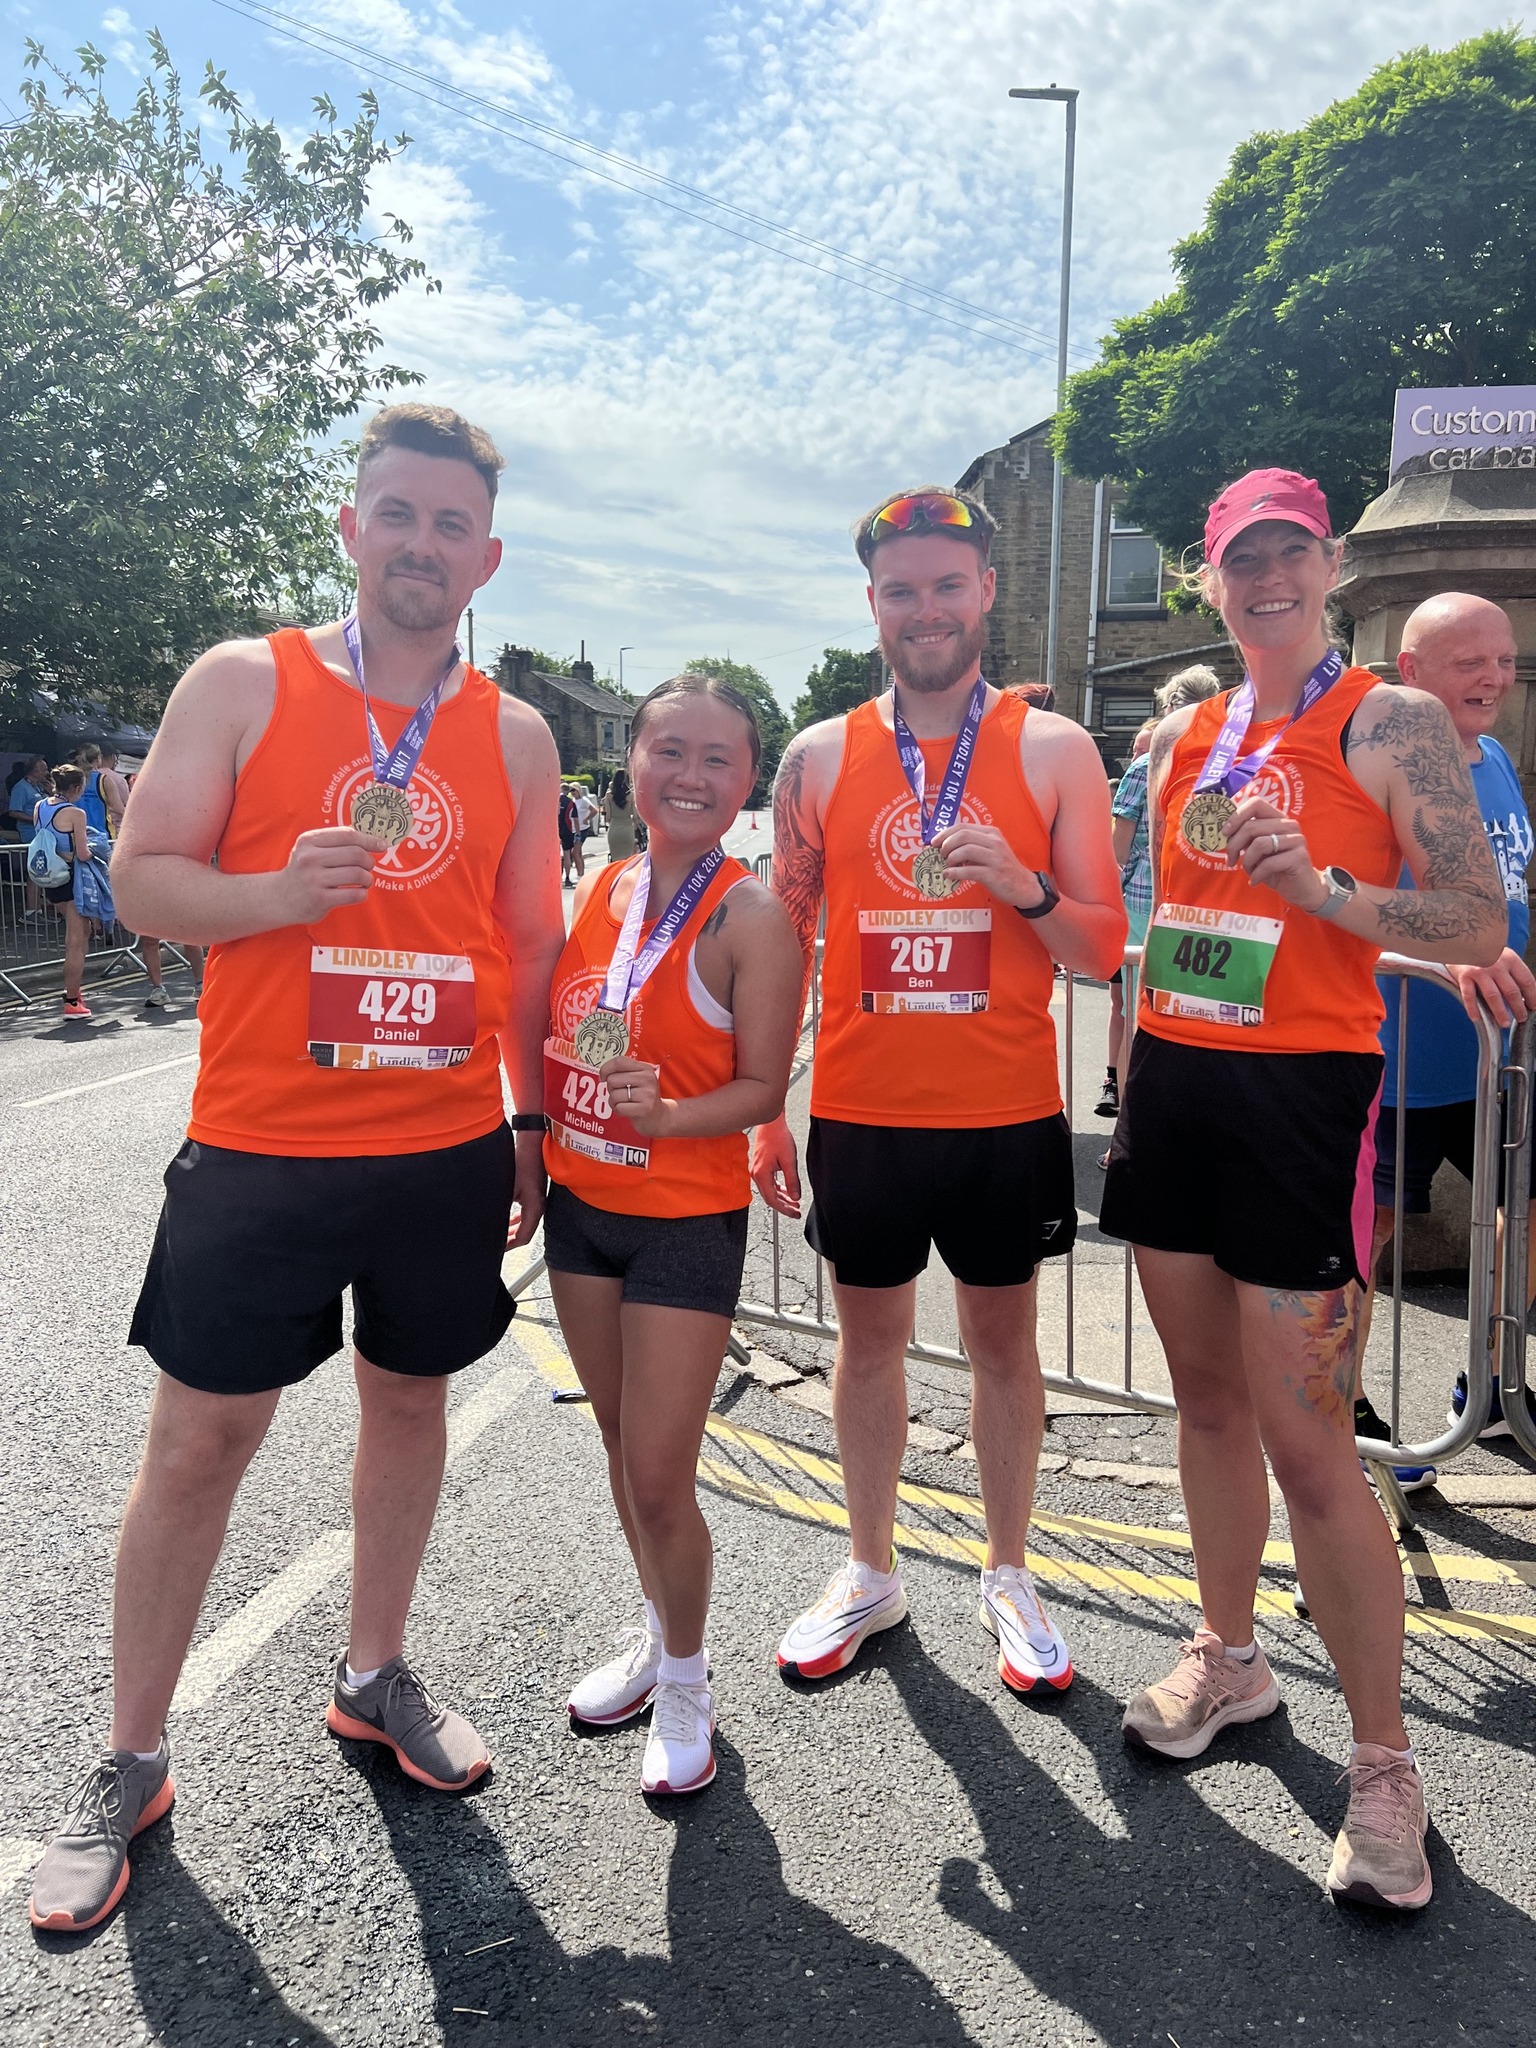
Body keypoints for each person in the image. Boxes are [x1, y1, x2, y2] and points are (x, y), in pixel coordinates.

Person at [27, 402, 564, 1934]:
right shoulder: (245, 679)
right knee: (199, 1446)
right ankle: (129, 1757)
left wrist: (529, 1122)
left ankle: (371, 1674)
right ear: (352, 530)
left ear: (486, 555)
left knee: (410, 1407)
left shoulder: (515, 734)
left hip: (445, 1145)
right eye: (395, 513)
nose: (421, 544)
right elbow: (142, 881)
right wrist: (274, 890)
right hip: (263, 1147)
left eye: (450, 524)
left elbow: (523, 947)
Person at [1098, 468, 1506, 1913]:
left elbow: (1467, 915)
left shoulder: (1387, 719)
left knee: (1311, 1442)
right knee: (1206, 1405)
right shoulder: (1184, 737)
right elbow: (1161, 924)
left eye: (1289, 551)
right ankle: (1232, 1658)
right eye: (1239, 559)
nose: (1266, 575)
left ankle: (1384, 1763)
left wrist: (1331, 890)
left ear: (1328, 565)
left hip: (1302, 1102)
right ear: (1209, 582)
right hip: (1178, 1085)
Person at [754, 485, 1126, 1696]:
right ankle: (870, 1566)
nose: (925, 609)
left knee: (1003, 1348)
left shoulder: (1055, 748)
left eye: (947, 584)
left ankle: (1009, 1570)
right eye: (901, 589)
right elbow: (784, 938)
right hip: (862, 1108)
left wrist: (1023, 885)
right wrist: (768, 1104)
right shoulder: (815, 755)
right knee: (868, 1348)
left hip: (1004, 1110)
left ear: (987, 592)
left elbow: (1101, 950)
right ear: (873, 603)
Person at [550, 675, 803, 1794]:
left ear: (748, 778)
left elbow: (760, 1087)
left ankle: (692, 1676)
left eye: (719, 758)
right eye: (671, 750)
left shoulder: (751, 914)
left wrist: (669, 1116)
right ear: (633, 765)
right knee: (618, 1446)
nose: (692, 775)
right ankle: (657, 1636)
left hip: (684, 1222)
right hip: (578, 1207)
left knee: (660, 1472)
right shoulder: (603, 886)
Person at [1357, 592, 1535, 1472]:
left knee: (1526, 1210)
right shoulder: (1380, 763)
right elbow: (1344, 906)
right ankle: (1345, 1408)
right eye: (1471, 662)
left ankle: (1496, 1386)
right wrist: (1450, 955)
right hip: (1399, 1065)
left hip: (1495, 1054)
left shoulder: (1497, 755)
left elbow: (1510, 883)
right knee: (1370, 1233)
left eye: (1502, 659)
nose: (1495, 678)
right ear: (1412, 671)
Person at [1098, 669, 1224, 1127]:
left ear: (1169, 707)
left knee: (1141, 1019)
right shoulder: (1235, 757)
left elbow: (1118, 846)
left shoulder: (1147, 762)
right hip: (1209, 910)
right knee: (1202, 1021)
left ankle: (1131, 1132)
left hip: (1144, 907)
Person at [31, 764, 97, 1018]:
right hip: (70, 876)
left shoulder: (40, 806)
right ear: (77, 788)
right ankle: (71, 1001)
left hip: (48, 876)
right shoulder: (75, 813)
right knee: (75, 942)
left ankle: (75, 990)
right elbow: (82, 853)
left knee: (83, 932)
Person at [7, 756, 50, 918]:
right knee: (34, 873)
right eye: (44, 769)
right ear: (36, 770)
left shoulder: (38, 787)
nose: (47, 772)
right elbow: (13, 812)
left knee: (41, 873)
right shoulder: (21, 788)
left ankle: (38, 909)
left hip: (41, 836)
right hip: (30, 836)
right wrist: (35, 819)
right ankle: (31, 911)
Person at [602, 767, 637, 862]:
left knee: (616, 859)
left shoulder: (609, 795)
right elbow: (635, 815)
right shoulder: (631, 795)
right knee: (627, 859)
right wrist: (635, 827)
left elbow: (608, 816)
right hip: (627, 828)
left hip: (614, 827)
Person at [560, 783, 585, 886]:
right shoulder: (570, 803)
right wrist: (578, 833)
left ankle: (556, 876)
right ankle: (567, 877)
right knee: (567, 855)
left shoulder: (553, 800)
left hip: (554, 829)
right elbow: (575, 819)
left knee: (555, 854)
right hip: (566, 829)